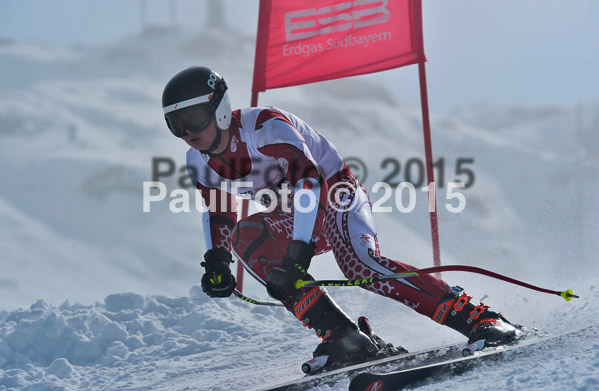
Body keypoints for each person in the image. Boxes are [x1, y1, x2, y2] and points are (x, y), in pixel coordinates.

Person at [161, 66, 523, 366]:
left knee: (359, 266)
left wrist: (298, 252)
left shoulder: (266, 127)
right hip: (291, 217)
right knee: (245, 237)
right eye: (176, 125)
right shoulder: (198, 161)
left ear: (220, 109)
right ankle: (344, 337)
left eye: (193, 119)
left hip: (335, 196)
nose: (188, 133)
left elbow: (310, 185)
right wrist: (218, 260)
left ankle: (478, 318)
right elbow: (219, 211)